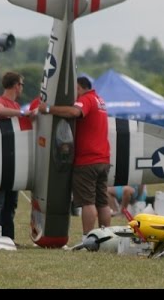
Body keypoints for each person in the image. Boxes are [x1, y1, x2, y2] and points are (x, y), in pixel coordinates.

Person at [38, 76, 111, 240]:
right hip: (103, 159)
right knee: (103, 203)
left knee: (88, 202)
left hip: (87, 161)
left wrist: (48, 108)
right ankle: (107, 236)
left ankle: (88, 238)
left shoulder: (86, 99)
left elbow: (74, 112)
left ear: (79, 88)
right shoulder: (100, 100)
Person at [0, 71, 34, 242]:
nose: (22, 87)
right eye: (21, 84)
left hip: (13, 160)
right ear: (16, 85)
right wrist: (23, 114)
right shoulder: (0, 101)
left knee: (11, 203)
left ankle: (8, 239)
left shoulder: (15, 106)